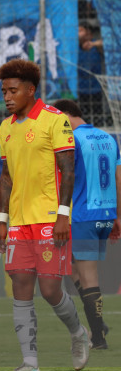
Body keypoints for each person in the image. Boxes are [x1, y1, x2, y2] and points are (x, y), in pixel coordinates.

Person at [0, 59, 89, 371]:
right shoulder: (5, 127)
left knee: (50, 290)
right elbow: (6, 177)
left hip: (50, 218)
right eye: (4, 91)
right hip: (19, 222)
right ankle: (30, 364)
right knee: (20, 285)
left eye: (13, 90)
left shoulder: (54, 120)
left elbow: (69, 169)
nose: (7, 96)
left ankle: (78, 333)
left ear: (30, 90)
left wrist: (63, 215)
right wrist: (3, 220)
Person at [52, 99, 119, 350]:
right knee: (73, 269)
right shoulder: (108, 138)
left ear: (66, 117)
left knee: (88, 276)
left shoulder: (73, 140)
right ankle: (97, 323)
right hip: (106, 214)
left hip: (84, 215)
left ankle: (98, 337)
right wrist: (118, 216)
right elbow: (118, 177)